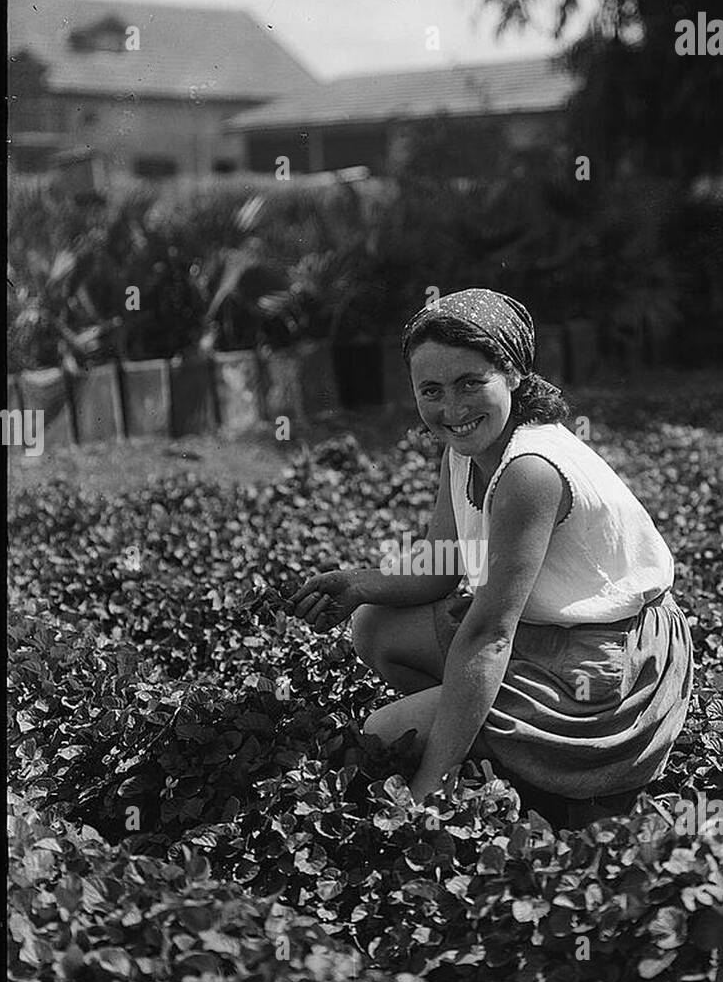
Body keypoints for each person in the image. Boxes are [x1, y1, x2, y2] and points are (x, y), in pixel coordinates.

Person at [288, 288, 693, 805]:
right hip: (542, 632)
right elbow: (441, 567)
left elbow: (489, 635)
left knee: (379, 737)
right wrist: (361, 584)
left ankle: (494, 754)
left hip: (606, 670)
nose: (451, 408)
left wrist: (427, 788)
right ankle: (481, 735)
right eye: (430, 390)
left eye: (470, 383)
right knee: (374, 624)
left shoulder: (530, 472)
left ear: (515, 374)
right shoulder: (464, 450)